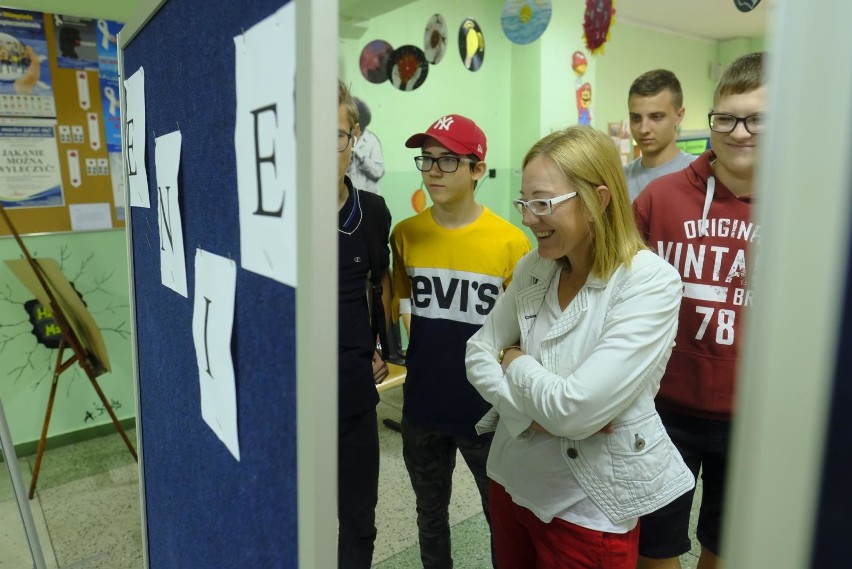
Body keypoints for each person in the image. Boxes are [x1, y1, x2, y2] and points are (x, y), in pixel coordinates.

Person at [465, 125, 695, 569]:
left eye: (542, 203)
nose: (528, 219)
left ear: (599, 200)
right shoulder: (536, 266)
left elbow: (574, 410)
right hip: (512, 481)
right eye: (524, 202)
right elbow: (477, 351)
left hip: (588, 506)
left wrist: (512, 359)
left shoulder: (649, 282)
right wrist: (536, 414)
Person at [632, 52, 766, 569]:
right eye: (727, 118)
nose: (739, 132)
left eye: (758, 118)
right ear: (709, 119)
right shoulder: (659, 199)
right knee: (656, 546)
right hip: (663, 409)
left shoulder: (802, 205)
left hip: (754, 416)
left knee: (728, 546)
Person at [391, 114, 530, 568]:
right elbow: (404, 308)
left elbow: (521, 334)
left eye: (448, 160)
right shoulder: (405, 235)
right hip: (423, 406)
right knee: (429, 517)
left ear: (477, 168)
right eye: (427, 160)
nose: (434, 170)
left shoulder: (511, 244)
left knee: (502, 520)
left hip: (486, 410)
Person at [336, 79, 392, 569]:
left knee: (359, 522)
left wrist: (379, 346)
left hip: (354, 394)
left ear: (353, 137)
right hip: (290, 400)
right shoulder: (275, 217)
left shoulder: (370, 213)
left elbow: (377, 284)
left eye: (333, 135)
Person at [624, 69, 696, 202]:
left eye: (656, 117)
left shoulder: (699, 174)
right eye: (636, 118)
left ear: (679, 116)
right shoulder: (619, 180)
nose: (643, 129)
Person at [346, 98, 385, 194]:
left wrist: (362, 158)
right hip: (347, 199)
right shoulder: (342, 138)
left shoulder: (372, 140)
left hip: (369, 199)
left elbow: (378, 172)